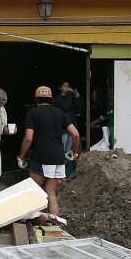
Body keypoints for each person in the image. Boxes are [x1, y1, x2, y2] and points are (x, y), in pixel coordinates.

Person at [17, 85, 80, 217]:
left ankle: (29, 221)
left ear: (36, 99)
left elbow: (28, 138)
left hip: (40, 156)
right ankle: (55, 225)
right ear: (51, 98)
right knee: (51, 193)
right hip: (58, 157)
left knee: (34, 191)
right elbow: (75, 134)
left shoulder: (33, 113)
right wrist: (74, 152)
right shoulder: (60, 113)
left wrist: (22, 156)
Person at [54, 81, 82, 172]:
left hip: (72, 125)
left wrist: (77, 96)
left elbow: (79, 108)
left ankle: (67, 170)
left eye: (68, 86)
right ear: (60, 88)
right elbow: (65, 106)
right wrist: (71, 94)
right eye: (64, 86)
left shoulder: (71, 97)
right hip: (62, 127)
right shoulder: (58, 98)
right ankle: (59, 171)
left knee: (69, 149)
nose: (67, 88)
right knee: (62, 148)